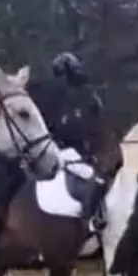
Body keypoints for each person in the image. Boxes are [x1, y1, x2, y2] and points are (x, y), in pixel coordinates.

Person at [30, 51, 109, 233]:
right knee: (96, 179)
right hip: (61, 150)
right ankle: (89, 221)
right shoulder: (60, 97)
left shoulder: (74, 96)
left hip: (65, 149)